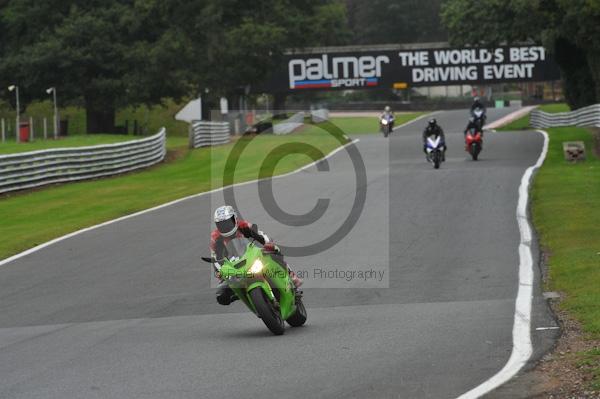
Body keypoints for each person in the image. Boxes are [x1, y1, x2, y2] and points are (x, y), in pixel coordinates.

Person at [210, 205, 302, 305]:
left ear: (235, 219)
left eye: (228, 223)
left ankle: (292, 277)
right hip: (234, 263)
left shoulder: (243, 225)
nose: (225, 227)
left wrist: (267, 243)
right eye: (221, 225)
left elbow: (260, 235)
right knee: (221, 294)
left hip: (252, 252)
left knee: (275, 250)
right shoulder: (215, 238)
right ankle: (243, 296)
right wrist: (220, 273)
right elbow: (215, 258)